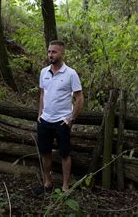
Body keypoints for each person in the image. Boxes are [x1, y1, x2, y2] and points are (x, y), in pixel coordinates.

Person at [34, 40, 84, 196]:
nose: (50, 54)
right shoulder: (44, 72)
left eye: (54, 52)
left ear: (62, 53)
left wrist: (70, 119)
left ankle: (65, 186)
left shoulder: (71, 74)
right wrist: (40, 114)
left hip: (62, 121)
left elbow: (79, 98)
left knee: (64, 154)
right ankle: (47, 183)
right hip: (45, 121)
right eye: (49, 51)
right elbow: (42, 94)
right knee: (45, 153)